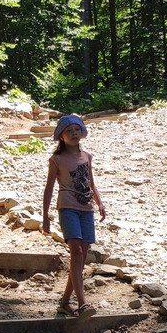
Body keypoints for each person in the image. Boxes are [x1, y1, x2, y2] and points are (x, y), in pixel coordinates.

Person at [42, 114, 106, 319]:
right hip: (67, 207)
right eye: (69, 131)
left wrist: (100, 203)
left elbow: (91, 182)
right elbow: (49, 188)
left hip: (87, 208)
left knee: (80, 257)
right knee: (76, 252)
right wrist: (45, 216)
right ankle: (83, 303)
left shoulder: (86, 156)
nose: (74, 133)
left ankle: (64, 302)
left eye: (77, 129)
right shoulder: (56, 160)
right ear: (61, 136)